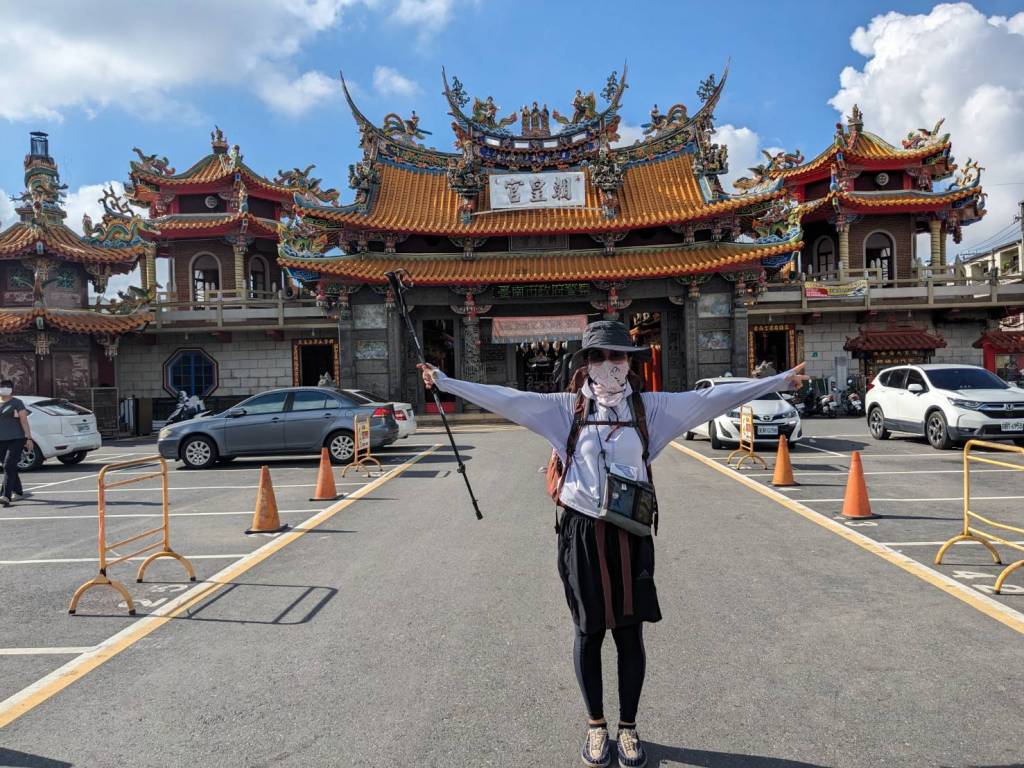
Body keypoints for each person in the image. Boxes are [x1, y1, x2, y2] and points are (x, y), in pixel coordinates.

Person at [419, 320, 808, 768]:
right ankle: (595, 726)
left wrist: (778, 381)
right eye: (599, 356)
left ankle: (628, 728)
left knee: (628, 634)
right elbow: (507, 398)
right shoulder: (564, 410)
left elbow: (709, 399)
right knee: (588, 632)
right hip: (582, 534)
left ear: (630, 361)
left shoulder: (651, 409)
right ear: (585, 363)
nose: (609, 365)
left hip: (631, 534)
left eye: (617, 356)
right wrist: (445, 382)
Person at [0, 379, 34, 507]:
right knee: (10, 466)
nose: (5, 388)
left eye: (7, 386)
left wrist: (29, 438)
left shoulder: (17, 402)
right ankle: (18, 491)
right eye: (2, 386)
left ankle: (5, 495)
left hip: (16, 439)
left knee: (8, 466)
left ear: (11, 389)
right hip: (1, 440)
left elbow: (24, 421)